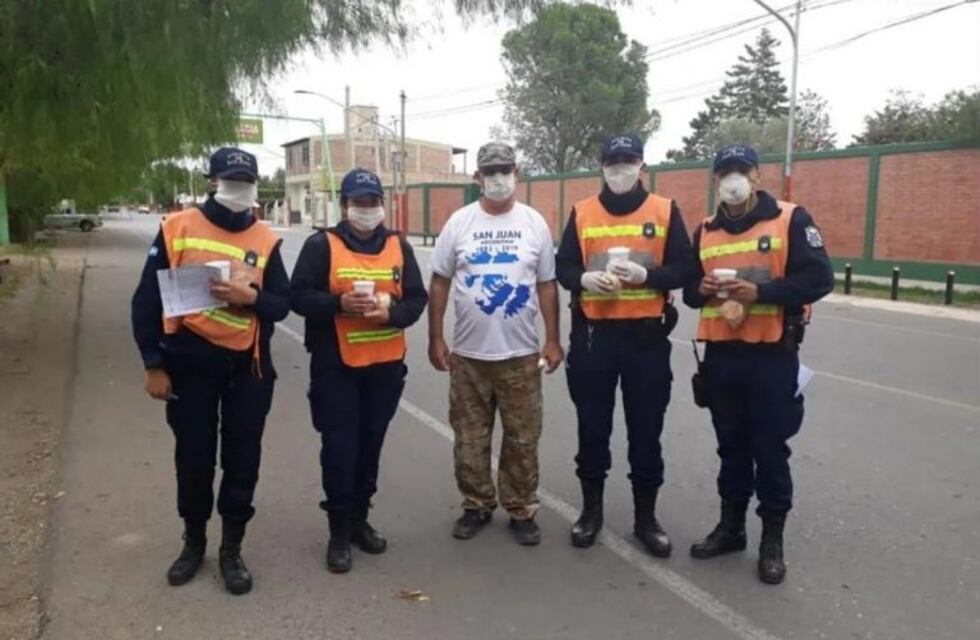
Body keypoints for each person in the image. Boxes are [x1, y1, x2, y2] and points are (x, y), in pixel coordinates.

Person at [130, 147, 290, 595]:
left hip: (249, 369)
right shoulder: (177, 227)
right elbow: (146, 302)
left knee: (242, 460)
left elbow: (282, 304)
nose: (239, 190)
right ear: (213, 182)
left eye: (246, 182)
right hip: (188, 366)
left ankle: (232, 550)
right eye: (231, 181)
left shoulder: (265, 238)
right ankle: (194, 542)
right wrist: (153, 364)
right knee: (195, 458)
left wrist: (252, 299)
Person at [683, 143, 833, 584]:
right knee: (730, 447)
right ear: (715, 180)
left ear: (757, 176)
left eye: (741, 170)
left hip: (771, 354)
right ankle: (731, 529)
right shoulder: (705, 230)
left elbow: (819, 279)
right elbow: (690, 292)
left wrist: (761, 293)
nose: (733, 179)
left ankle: (772, 540)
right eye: (725, 172)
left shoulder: (791, 218)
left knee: (769, 448)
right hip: (722, 356)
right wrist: (705, 287)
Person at [555, 133, 691, 556]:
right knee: (592, 428)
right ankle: (591, 512)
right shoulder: (582, 212)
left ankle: (645, 517)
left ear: (642, 167)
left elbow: (686, 269)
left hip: (646, 339)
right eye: (612, 163)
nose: (619, 170)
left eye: (627, 162)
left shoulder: (665, 211)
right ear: (601, 168)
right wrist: (583, 279)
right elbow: (563, 266)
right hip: (595, 337)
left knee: (646, 431)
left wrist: (647, 277)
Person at [291, 168, 427, 573]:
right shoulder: (322, 245)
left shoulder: (398, 247)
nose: (366, 210)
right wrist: (338, 304)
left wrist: (391, 314)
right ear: (345, 205)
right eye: (358, 203)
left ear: (381, 205)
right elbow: (297, 297)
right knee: (339, 449)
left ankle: (359, 520)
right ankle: (337, 531)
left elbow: (416, 300)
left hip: (384, 367)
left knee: (370, 446)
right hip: (337, 368)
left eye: (372, 203)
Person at [428, 142, 563, 546]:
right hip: (468, 356)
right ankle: (476, 504)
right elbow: (439, 281)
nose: (499, 178)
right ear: (477, 178)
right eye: (491, 172)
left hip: (521, 356)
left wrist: (553, 339)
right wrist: (436, 337)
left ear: (516, 172)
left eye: (505, 170)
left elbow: (546, 285)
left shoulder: (534, 223)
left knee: (523, 439)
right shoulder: (459, 223)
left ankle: (521, 507)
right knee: (470, 438)